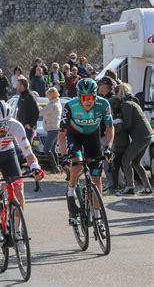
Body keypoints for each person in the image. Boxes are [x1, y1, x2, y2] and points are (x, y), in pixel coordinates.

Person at [0, 100, 44, 243]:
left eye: (6, 123)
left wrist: (35, 167)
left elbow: (28, 153)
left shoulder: (16, 126)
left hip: (8, 153)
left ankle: (18, 229)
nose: (4, 128)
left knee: (19, 188)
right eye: (0, 124)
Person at [58, 78, 113, 225]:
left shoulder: (103, 104)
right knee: (77, 166)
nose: (87, 101)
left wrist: (108, 147)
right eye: (84, 97)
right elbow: (62, 135)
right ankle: (70, 192)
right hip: (74, 136)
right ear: (78, 96)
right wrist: (63, 156)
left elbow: (109, 128)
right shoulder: (70, 106)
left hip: (92, 137)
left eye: (90, 97)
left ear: (95, 96)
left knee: (96, 177)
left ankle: (97, 216)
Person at [115, 83, 153, 195]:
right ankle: (147, 188)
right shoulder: (133, 102)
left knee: (126, 159)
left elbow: (127, 124)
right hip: (147, 135)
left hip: (140, 137)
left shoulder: (126, 104)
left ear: (118, 93)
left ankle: (130, 187)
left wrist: (116, 124)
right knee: (136, 162)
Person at [39, 88, 62, 172]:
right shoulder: (56, 103)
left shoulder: (53, 105)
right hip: (55, 128)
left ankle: (55, 167)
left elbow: (41, 112)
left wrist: (36, 105)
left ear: (51, 95)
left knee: (46, 149)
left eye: (48, 95)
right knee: (52, 149)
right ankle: (57, 167)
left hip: (52, 129)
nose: (47, 97)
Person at [16, 78, 39, 144]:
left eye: (18, 85)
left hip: (28, 128)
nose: (16, 87)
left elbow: (36, 111)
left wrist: (31, 125)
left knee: (27, 148)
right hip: (21, 126)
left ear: (22, 86)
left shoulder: (30, 95)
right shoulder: (21, 95)